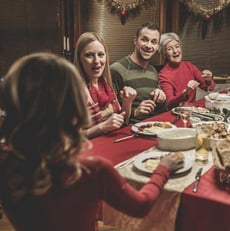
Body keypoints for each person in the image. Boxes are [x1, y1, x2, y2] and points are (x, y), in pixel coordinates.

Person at [0, 52, 184, 230]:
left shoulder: (6, 161)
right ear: (75, 108)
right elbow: (141, 205)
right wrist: (163, 168)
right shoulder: (92, 170)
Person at [74, 32, 137, 138]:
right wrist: (101, 127)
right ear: (79, 59)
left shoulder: (105, 82)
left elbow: (120, 121)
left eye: (101, 55)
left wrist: (127, 102)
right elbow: (69, 137)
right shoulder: (74, 90)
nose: (97, 61)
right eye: (89, 55)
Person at [110, 22, 167, 123]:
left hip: (151, 128)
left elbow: (160, 111)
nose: (149, 45)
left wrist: (161, 100)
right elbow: (109, 114)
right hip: (127, 132)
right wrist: (134, 112)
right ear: (135, 41)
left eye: (154, 42)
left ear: (158, 46)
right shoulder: (116, 70)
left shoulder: (153, 71)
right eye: (144, 40)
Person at [158, 32, 216, 109]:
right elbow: (170, 103)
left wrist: (208, 80)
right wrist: (185, 92)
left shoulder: (189, 66)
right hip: (176, 113)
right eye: (169, 49)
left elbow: (208, 88)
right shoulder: (163, 74)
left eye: (177, 46)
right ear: (164, 54)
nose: (175, 51)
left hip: (192, 111)